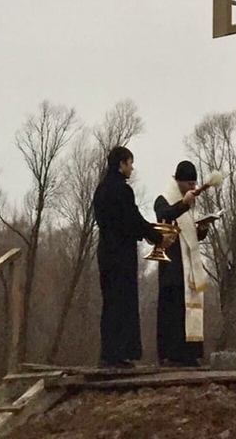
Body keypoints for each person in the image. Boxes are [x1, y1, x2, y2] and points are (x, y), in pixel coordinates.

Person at [92, 146, 163, 368]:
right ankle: (121, 353)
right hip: (121, 253)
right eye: (130, 163)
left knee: (110, 301)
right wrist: (155, 236)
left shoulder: (101, 189)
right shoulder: (123, 190)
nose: (132, 167)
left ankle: (108, 352)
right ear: (122, 164)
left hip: (105, 251)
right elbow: (132, 220)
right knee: (124, 301)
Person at [154, 159, 211, 367]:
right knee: (173, 309)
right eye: (189, 184)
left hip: (188, 262)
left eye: (195, 184)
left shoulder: (189, 200)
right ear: (180, 181)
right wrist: (184, 204)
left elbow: (191, 234)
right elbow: (165, 216)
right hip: (172, 264)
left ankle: (189, 353)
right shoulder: (164, 199)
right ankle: (171, 353)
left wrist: (202, 228)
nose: (193, 188)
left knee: (189, 310)